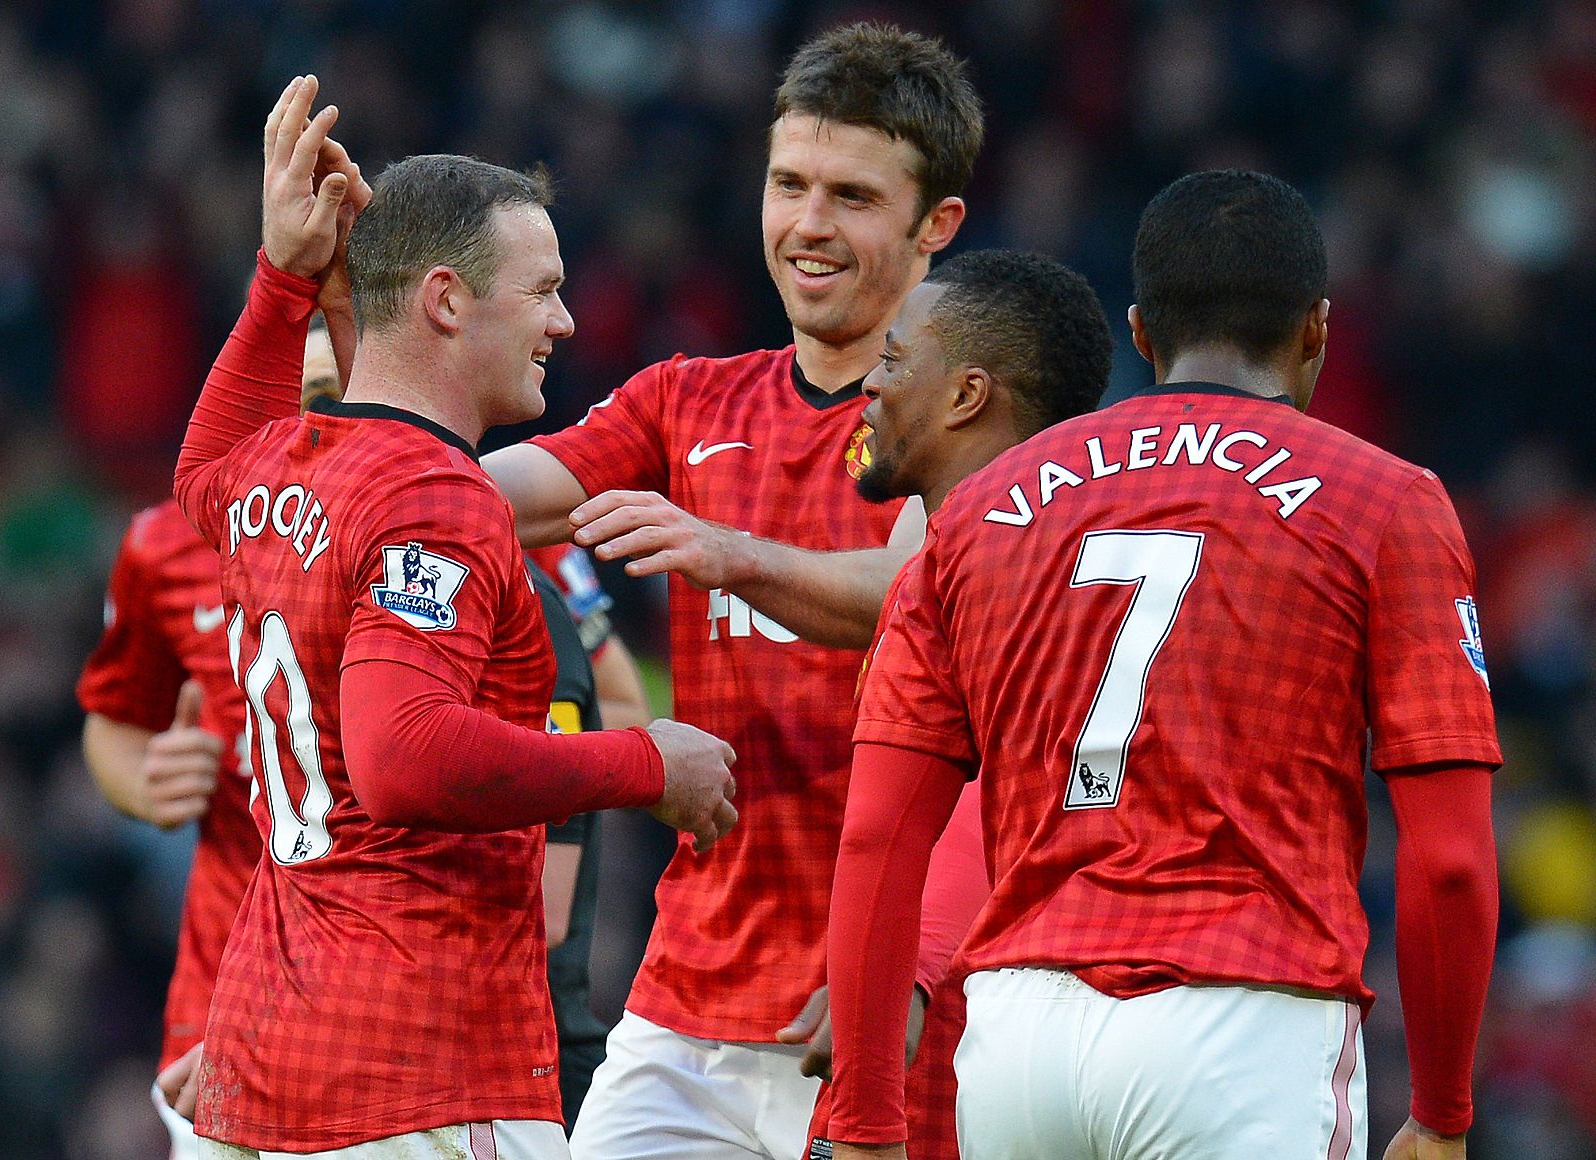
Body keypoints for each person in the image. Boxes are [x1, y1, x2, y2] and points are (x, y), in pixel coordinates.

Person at [825, 170, 1502, 1160]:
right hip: (1244, 1023)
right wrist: (1441, 1114)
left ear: (1140, 333)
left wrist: (864, 1117)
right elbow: (1449, 860)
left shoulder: (980, 511)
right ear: (1316, 329)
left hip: (1018, 1041)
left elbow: (876, 837)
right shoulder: (1383, 501)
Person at [173, 76, 736, 1158]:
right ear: (445, 300)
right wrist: (645, 764)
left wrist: (283, 277)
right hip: (419, 1072)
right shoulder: (436, 496)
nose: (566, 321)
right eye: (544, 290)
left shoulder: (285, 465)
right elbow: (402, 757)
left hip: (264, 1056)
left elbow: (203, 470)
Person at [474, 24, 984, 1160]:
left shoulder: (975, 412)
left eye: (853, 196)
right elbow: (488, 499)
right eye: (788, 184)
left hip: (882, 1002)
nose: (809, 224)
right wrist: (361, 451)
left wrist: (731, 552)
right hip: (688, 999)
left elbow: (916, 590)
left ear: (936, 224)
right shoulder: (688, 399)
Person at [790, 249, 1114, 1160]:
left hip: (971, 1013)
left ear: (967, 396)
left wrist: (914, 969)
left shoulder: (996, 572)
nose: (869, 385)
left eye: (894, 361)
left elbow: (1008, 782)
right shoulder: (1054, 551)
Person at [77, 324, 338, 1160]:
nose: (315, 426)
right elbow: (114, 724)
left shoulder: (437, 527)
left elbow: (597, 697)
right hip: (223, 991)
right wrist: (149, 782)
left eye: (338, 399)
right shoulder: (165, 546)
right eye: (301, 399)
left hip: (387, 994)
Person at [526, 542, 654, 1127]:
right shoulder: (274, 533)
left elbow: (629, 709)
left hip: (527, 1028)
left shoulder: (536, 563)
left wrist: (484, 742)